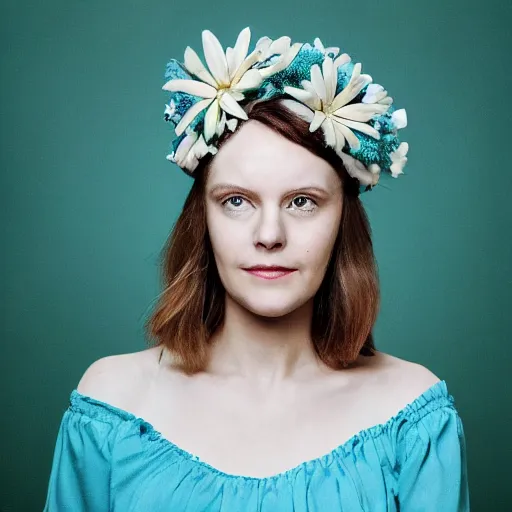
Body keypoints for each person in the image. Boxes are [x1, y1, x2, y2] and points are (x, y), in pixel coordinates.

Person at [43, 27, 470, 511]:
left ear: (342, 224)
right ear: (202, 218)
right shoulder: (112, 405)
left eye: (303, 202)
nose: (270, 234)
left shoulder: (413, 417)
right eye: (238, 201)